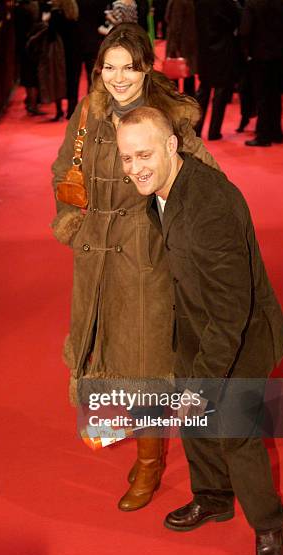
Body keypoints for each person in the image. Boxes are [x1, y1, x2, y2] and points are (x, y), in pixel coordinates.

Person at [51, 23, 220, 512]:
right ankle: (127, 438)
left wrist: (182, 236)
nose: (118, 78)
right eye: (109, 67)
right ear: (99, 69)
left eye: (129, 67)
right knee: (103, 354)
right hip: (93, 255)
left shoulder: (166, 116)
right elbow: (66, 170)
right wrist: (72, 223)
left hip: (146, 256)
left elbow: (206, 180)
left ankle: (149, 464)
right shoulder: (89, 112)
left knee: (145, 365)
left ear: (147, 68)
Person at [116, 105, 283, 555]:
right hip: (197, 323)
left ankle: (269, 524)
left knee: (235, 430)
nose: (135, 169)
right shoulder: (161, 189)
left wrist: (203, 384)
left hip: (244, 333)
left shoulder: (209, 205)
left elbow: (233, 311)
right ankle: (213, 498)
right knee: (195, 420)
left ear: (172, 146)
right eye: (127, 159)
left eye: (144, 155)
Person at [240, 0, 283, 147]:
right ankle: (277, 132)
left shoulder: (253, 3)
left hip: (258, 56)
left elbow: (245, 31)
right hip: (278, 55)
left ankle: (263, 135)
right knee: (275, 95)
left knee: (261, 96)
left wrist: (246, 53)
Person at [193, 0, 241, 140]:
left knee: (204, 89)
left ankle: (196, 129)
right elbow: (236, 17)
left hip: (204, 47)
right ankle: (214, 131)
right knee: (220, 90)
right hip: (223, 48)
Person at [165, 0, 198, 97]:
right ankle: (189, 100)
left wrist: (173, 47)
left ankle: (176, 102)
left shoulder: (178, 2)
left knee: (174, 76)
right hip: (188, 41)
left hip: (180, 44)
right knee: (188, 74)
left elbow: (176, 25)